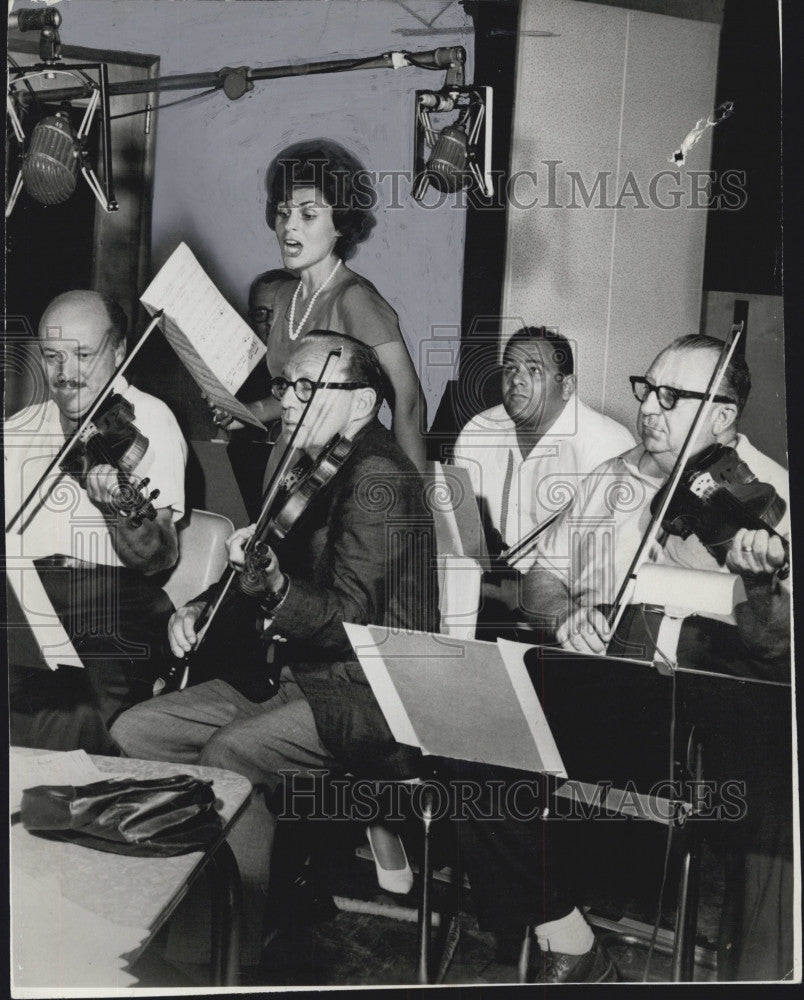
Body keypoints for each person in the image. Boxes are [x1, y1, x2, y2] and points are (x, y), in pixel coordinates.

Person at [110, 331, 439, 965]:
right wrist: (202, 608)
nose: (287, 400)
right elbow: (257, 570)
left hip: (367, 691)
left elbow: (347, 620)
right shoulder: (312, 463)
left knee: (232, 752)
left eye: (308, 388)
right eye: (286, 385)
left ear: (364, 402)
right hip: (290, 676)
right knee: (136, 733)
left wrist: (279, 588)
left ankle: (223, 951)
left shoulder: (379, 479)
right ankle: (174, 913)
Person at [523, 334, 792, 980]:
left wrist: (760, 577)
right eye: (649, 390)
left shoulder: (767, 497)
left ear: (723, 417)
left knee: (775, 777)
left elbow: (779, 644)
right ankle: (571, 939)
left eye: (673, 398)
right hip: (605, 691)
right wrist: (564, 614)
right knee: (478, 737)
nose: (649, 409)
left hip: (701, 714)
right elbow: (539, 581)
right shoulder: (610, 477)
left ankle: (763, 975)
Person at [5, 290, 188, 753]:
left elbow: (157, 556)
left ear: (120, 350)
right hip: (28, 598)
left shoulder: (148, 422)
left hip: (111, 602)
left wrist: (116, 509)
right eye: (52, 357)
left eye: (83, 355)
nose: (66, 375)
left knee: (67, 718)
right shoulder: (24, 424)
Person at [218, 139, 427, 472]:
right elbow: (297, 394)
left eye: (308, 215)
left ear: (340, 225)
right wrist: (250, 411)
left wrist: (413, 500)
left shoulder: (355, 299)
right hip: (287, 469)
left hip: (339, 471)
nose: (290, 226)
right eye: (284, 213)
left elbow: (409, 403)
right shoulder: (284, 296)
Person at [453, 327, 634, 566]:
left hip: (563, 595)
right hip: (482, 585)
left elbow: (609, 560)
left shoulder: (607, 446)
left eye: (534, 370)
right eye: (510, 368)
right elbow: (457, 532)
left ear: (567, 386)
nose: (517, 379)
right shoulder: (478, 431)